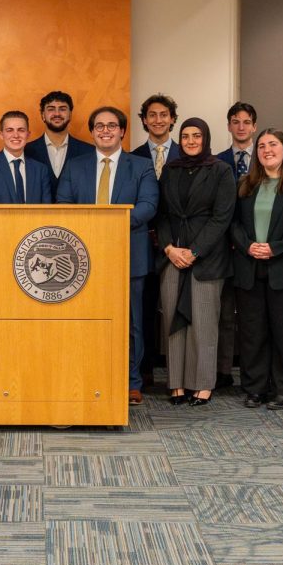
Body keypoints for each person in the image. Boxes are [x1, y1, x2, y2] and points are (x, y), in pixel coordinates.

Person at [57, 106, 158, 405]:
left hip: (129, 255)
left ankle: (131, 382)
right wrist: (91, 230)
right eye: (99, 126)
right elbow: (63, 203)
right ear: (92, 131)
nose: (105, 131)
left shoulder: (141, 166)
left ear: (123, 131)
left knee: (132, 323)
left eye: (112, 126)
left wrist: (106, 225)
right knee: (85, 320)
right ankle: (92, 375)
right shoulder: (75, 166)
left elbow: (148, 205)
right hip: (82, 257)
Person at [232, 129, 283, 410]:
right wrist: (248, 246)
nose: (267, 150)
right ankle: (256, 388)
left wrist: (274, 247)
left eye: (273, 145)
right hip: (250, 268)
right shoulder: (245, 184)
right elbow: (233, 223)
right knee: (253, 332)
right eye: (262, 146)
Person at [156, 118, 234, 406]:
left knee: (203, 322)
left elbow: (222, 217)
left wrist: (195, 250)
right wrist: (169, 249)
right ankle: (176, 382)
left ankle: (202, 384)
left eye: (196, 136)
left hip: (207, 259)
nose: (190, 141)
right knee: (173, 324)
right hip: (172, 257)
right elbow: (161, 214)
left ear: (206, 138)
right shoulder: (170, 170)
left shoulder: (221, 170)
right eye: (185, 136)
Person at [132, 93, 180, 388]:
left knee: (176, 309)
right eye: (152, 115)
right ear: (144, 120)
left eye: (164, 114)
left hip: (177, 245)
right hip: (141, 241)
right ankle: (145, 368)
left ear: (172, 119)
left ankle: (178, 373)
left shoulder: (188, 154)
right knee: (144, 307)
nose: (158, 120)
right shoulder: (133, 156)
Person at [214, 101, 259, 390]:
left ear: (254, 126)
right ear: (229, 125)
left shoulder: (268, 157)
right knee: (223, 312)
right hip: (222, 246)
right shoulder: (216, 161)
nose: (241, 127)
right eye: (235, 121)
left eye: (246, 122)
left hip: (256, 247)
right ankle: (222, 372)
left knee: (253, 314)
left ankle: (254, 375)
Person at [0, 110, 53, 206]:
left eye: (21, 130)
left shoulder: (40, 170)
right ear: (1, 135)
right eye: (10, 130)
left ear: (28, 134)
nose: (16, 135)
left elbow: (46, 212)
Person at [24, 90, 93, 199]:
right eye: (51, 109)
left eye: (62, 109)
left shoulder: (89, 152)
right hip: (36, 215)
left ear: (70, 115)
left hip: (77, 216)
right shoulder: (26, 151)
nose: (57, 114)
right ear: (42, 115)